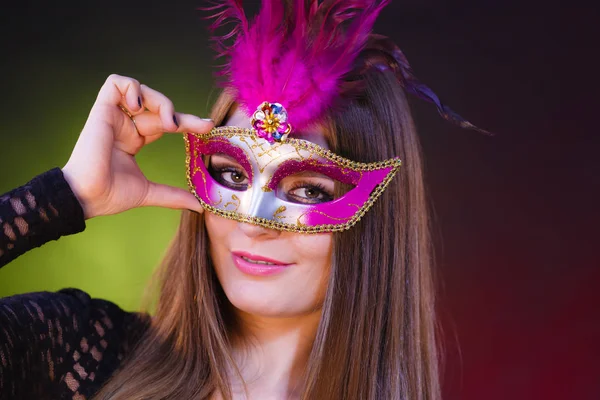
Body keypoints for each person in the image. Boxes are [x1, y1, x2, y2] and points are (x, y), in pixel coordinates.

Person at [0, 1, 488, 399]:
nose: (254, 223)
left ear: (376, 214)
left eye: (309, 189)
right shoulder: (79, 349)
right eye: (232, 174)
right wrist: (64, 195)